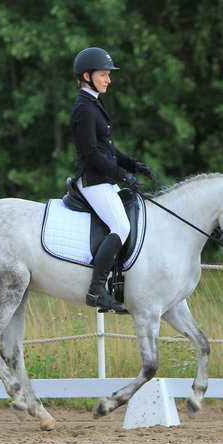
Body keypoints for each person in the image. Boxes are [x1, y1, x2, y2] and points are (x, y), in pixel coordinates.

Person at [69, 47, 154, 312]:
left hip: (104, 178)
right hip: (93, 180)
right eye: (104, 75)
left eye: (108, 75)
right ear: (87, 76)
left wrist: (133, 165)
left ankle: (118, 283)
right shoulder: (83, 108)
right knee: (121, 226)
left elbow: (108, 148)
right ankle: (96, 290)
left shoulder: (95, 103)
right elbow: (92, 153)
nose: (108, 80)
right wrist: (122, 175)